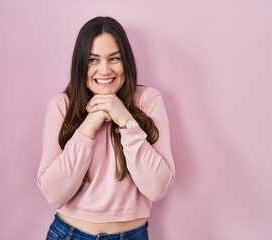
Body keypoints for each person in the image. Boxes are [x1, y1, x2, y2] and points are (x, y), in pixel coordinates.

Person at [37, 16, 175, 240]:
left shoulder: (148, 101)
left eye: (114, 59)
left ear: (126, 61)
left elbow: (157, 188)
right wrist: (90, 124)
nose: (104, 70)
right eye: (93, 60)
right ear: (80, 64)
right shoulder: (62, 105)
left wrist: (126, 120)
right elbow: (54, 194)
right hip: (69, 234)